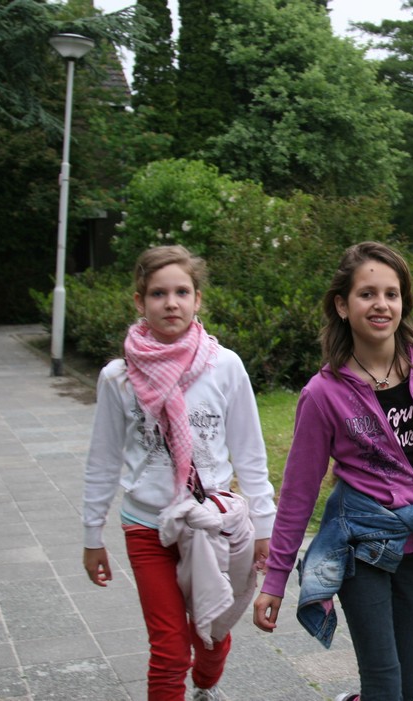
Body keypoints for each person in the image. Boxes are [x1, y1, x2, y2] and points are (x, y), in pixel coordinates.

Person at [253, 241, 413, 701]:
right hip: (360, 547)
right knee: (384, 684)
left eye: (391, 294)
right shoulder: (323, 394)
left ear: (403, 303)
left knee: (409, 687)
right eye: (367, 294)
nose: (381, 304)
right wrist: (275, 580)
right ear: (342, 305)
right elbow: (299, 494)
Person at [82, 245, 277, 701]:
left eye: (181, 292)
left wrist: (265, 527)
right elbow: (103, 460)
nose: (171, 303)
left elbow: (250, 453)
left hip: (213, 526)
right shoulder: (118, 377)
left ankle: (206, 685)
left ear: (197, 298)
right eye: (158, 293)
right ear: (139, 301)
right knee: (169, 650)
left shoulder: (224, 366)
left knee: (210, 634)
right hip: (147, 528)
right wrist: (92, 536)